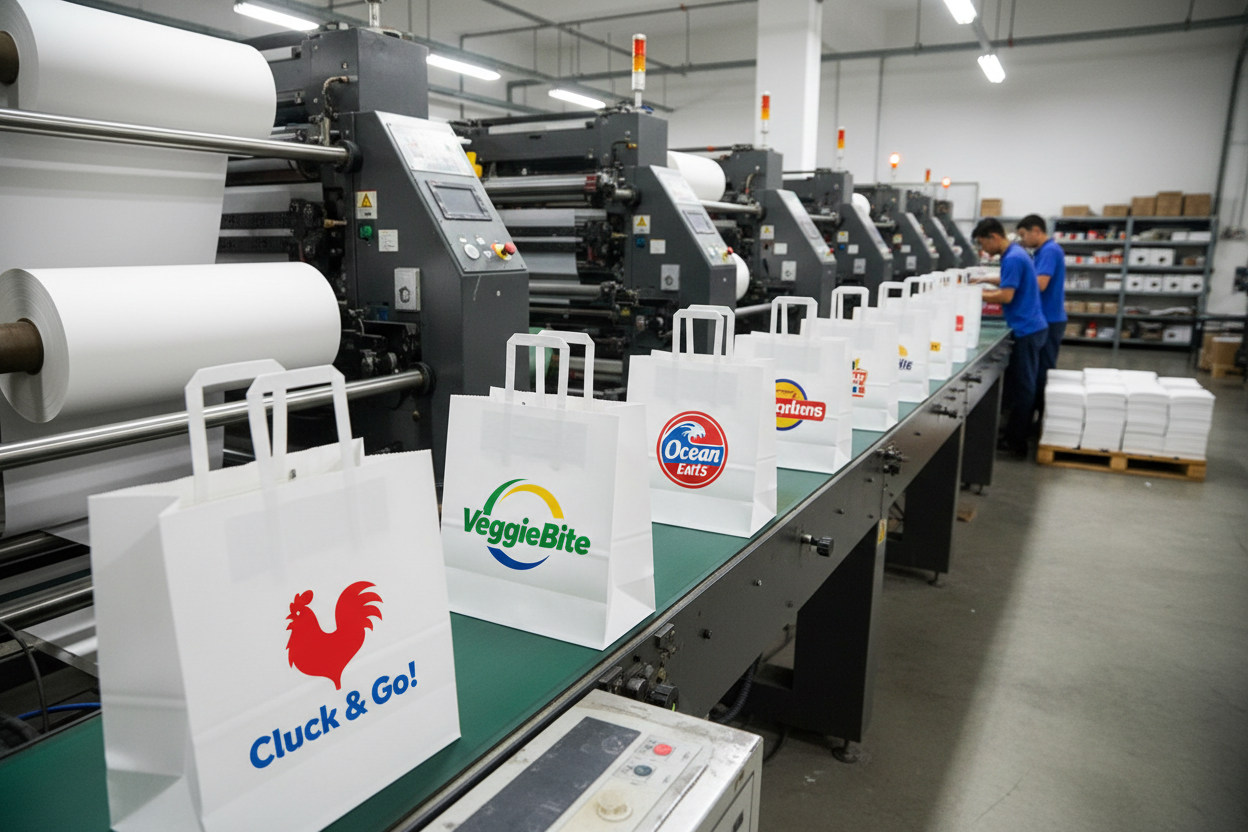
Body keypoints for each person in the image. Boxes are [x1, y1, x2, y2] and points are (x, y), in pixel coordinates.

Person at [971, 218, 1049, 458]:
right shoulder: (1014, 253)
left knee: (1024, 386)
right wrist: (984, 281)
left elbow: (1006, 296)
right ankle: (1013, 433)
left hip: (1027, 329)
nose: (983, 250)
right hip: (1030, 326)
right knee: (1021, 384)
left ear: (993, 237)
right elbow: (1011, 280)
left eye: (983, 244)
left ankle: (1016, 443)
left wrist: (974, 294)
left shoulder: (1013, 257)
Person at [1016, 214, 1067, 423]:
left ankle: (1037, 423)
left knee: (1041, 374)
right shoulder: (1043, 251)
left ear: (1036, 231)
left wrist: (1012, 288)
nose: (1022, 240)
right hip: (1047, 317)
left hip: (1049, 319)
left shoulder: (1049, 251)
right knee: (1038, 372)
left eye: (1023, 235)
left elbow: (1040, 284)